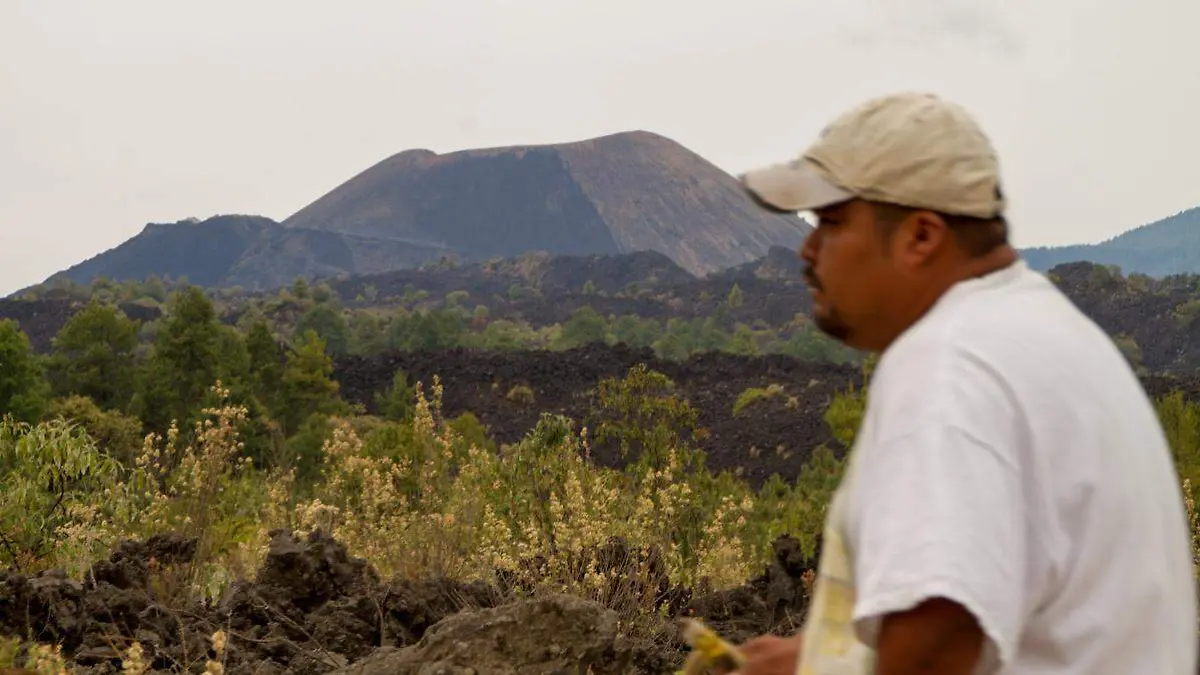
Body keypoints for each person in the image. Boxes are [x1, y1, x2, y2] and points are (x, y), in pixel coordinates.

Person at [728, 91, 1199, 674]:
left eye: (830, 221)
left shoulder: (948, 369)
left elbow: (935, 649)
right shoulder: (1044, 336)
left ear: (921, 237)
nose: (808, 249)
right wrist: (812, 662)